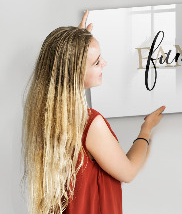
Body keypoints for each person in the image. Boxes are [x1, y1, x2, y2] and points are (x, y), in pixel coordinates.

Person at [22, 11, 165, 214]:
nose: (104, 64)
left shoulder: (44, 115)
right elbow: (129, 171)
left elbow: (64, 66)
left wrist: (76, 43)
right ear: (75, 72)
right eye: (97, 62)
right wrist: (146, 130)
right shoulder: (90, 124)